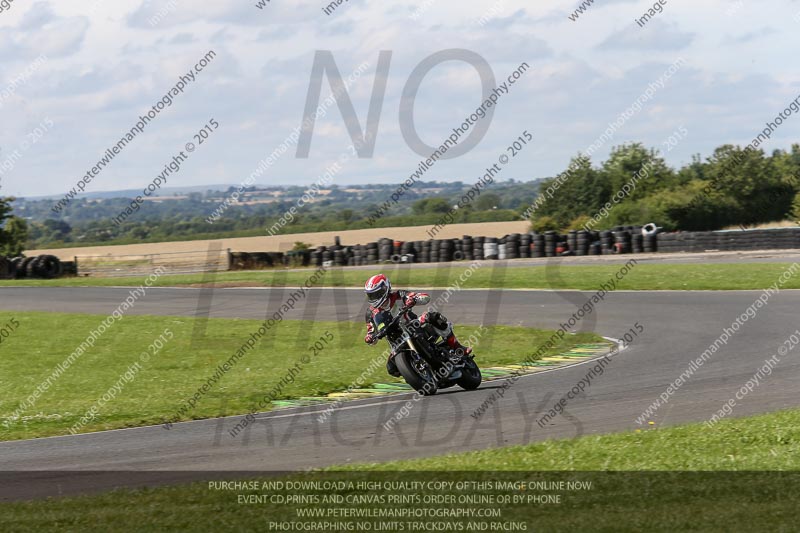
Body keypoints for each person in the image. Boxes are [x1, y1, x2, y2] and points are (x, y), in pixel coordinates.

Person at [363, 274, 471, 377]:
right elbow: (371, 331)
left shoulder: (399, 295)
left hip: (413, 326)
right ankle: (417, 372)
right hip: (395, 341)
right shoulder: (370, 313)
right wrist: (370, 337)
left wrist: (414, 299)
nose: (373, 298)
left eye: (375, 294)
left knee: (433, 317)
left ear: (384, 289)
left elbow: (425, 298)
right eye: (370, 295)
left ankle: (458, 348)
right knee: (392, 369)